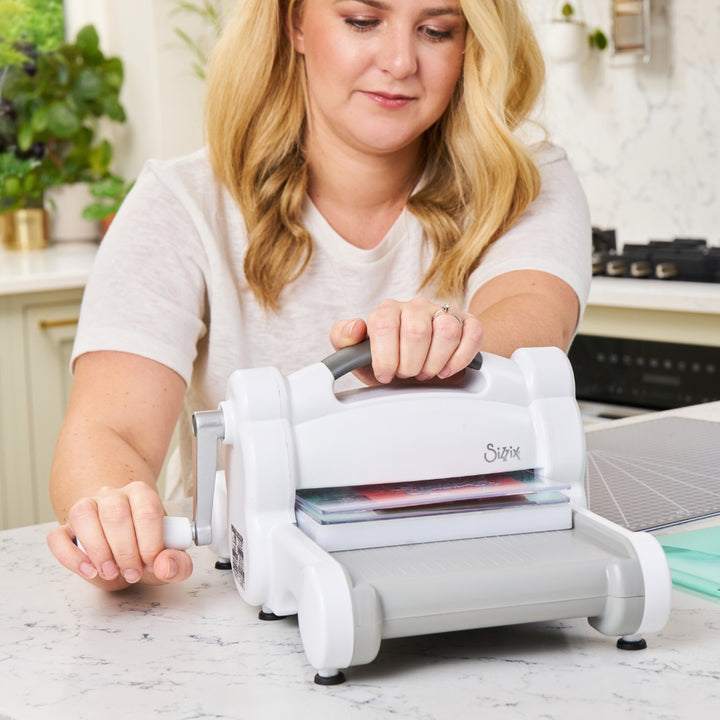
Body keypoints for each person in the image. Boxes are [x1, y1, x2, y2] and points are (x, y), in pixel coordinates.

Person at [47, 0, 591, 591]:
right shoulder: (180, 202)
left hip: (475, 567)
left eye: (437, 31)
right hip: (246, 590)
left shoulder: (527, 181)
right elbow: (109, 430)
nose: (400, 62)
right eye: (363, 21)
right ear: (295, 23)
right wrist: (115, 522)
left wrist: (444, 346)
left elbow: (533, 325)